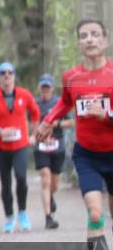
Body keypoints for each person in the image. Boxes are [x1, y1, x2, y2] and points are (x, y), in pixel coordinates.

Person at [36, 19, 113, 250]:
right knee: (95, 213)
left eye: (95, 35)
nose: (89, 39)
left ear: (104, 41)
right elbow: (64, 103)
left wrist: (107, 116)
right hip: (88, 155)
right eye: (83, 36)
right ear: (79, 43)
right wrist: (49, 120)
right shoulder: (71, 76)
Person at [0, 62, 40, 233]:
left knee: (21, 177)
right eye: (2, 73)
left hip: (20, 145)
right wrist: (0, 131)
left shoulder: (24, 94)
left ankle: (22, 212)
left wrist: (33, 134)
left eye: (9, 72)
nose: (6, 75)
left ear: (14, 75)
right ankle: (9, 216)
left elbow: (35, 113)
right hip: (1, 147)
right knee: (5, 183)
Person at [34, 74, 71, 229]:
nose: (45, 90)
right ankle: (48, 217)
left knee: (54, 183)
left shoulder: (59, 103)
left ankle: (50, 196)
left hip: (57, 146)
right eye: (43, 87)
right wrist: (38, 134)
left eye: (47, 87)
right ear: (39, 88)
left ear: (52, 88)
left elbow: (70, 122)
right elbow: (31, 124)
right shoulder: (34, 104)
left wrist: (55, 124)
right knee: (45, 179)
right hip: (41, 146)